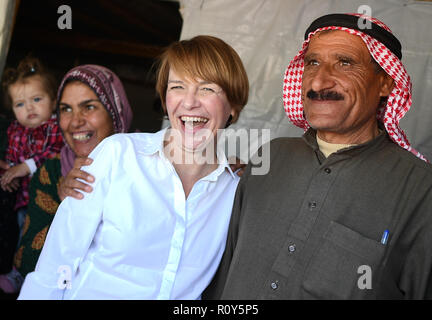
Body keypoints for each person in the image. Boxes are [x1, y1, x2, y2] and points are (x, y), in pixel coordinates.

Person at [203, 13, 432, 300]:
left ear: (386, 82)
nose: (319, 82)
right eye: (312, 63)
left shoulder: (421, 189)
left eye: (345, 63)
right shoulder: (272, 156)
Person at [18, 35, 249, 300]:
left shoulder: (235, 190)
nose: (189, 102)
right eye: (177, 87)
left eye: (207, 89)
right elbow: (58, 261)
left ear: (233, 106)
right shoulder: (118, 155)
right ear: (165, 100)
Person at [13, 64, 133, 290]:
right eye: (66, 109)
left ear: (114, 110)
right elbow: (28, 262)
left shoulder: (148, 167)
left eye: (88, 107)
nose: (75, 121)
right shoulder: (51, 172)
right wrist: (65, 209)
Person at [0, 57, 64, 294]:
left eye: (37, 99)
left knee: (41, 239)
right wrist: (9, 172)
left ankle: (37, 277)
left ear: (54, 100)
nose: (29, 109)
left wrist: (24, 167)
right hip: (21, 198)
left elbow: (55, 152)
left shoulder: (56, 127)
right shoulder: (15, 131)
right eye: (20, 104)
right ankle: (17, 274)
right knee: (20, 236)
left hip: (47, 201)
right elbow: (11, 159)